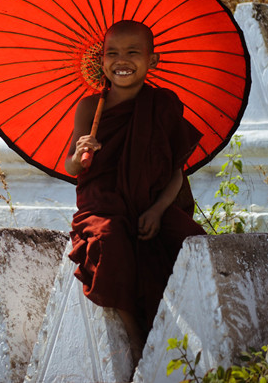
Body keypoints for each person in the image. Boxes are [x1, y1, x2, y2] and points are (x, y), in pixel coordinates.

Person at [64, 20, 206, 363]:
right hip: (103, 206)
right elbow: (70, 167)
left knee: (190, 238)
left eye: (133, 52)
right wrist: (81, 152)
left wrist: (158, 211)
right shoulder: (89, 108)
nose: (121, 60)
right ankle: (135, 333)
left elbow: (175, 173)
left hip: (149, 204)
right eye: (112, 53)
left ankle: (192, 333)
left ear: (152, 60)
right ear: (102, 62)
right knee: (109, 239)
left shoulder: (163, 104)